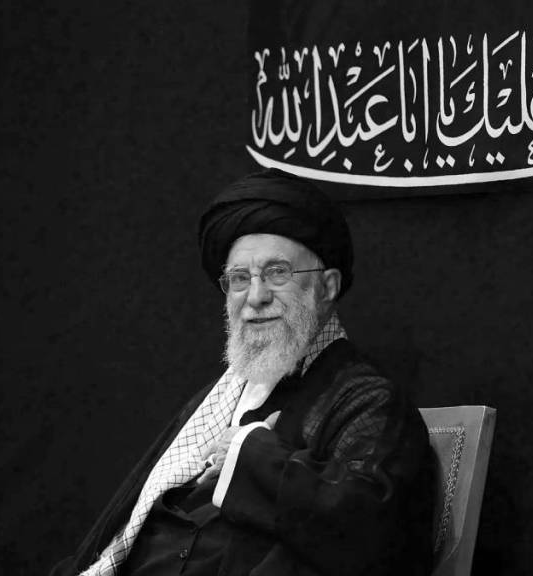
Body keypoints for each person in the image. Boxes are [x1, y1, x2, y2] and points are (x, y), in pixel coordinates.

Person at [51, 169, 436, 576]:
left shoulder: (368, 401)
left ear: (327, 287)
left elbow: (369, 532)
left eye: (277, 273)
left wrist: (249, 452)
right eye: (239, 279)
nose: (256, 296)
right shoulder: (218, 398)